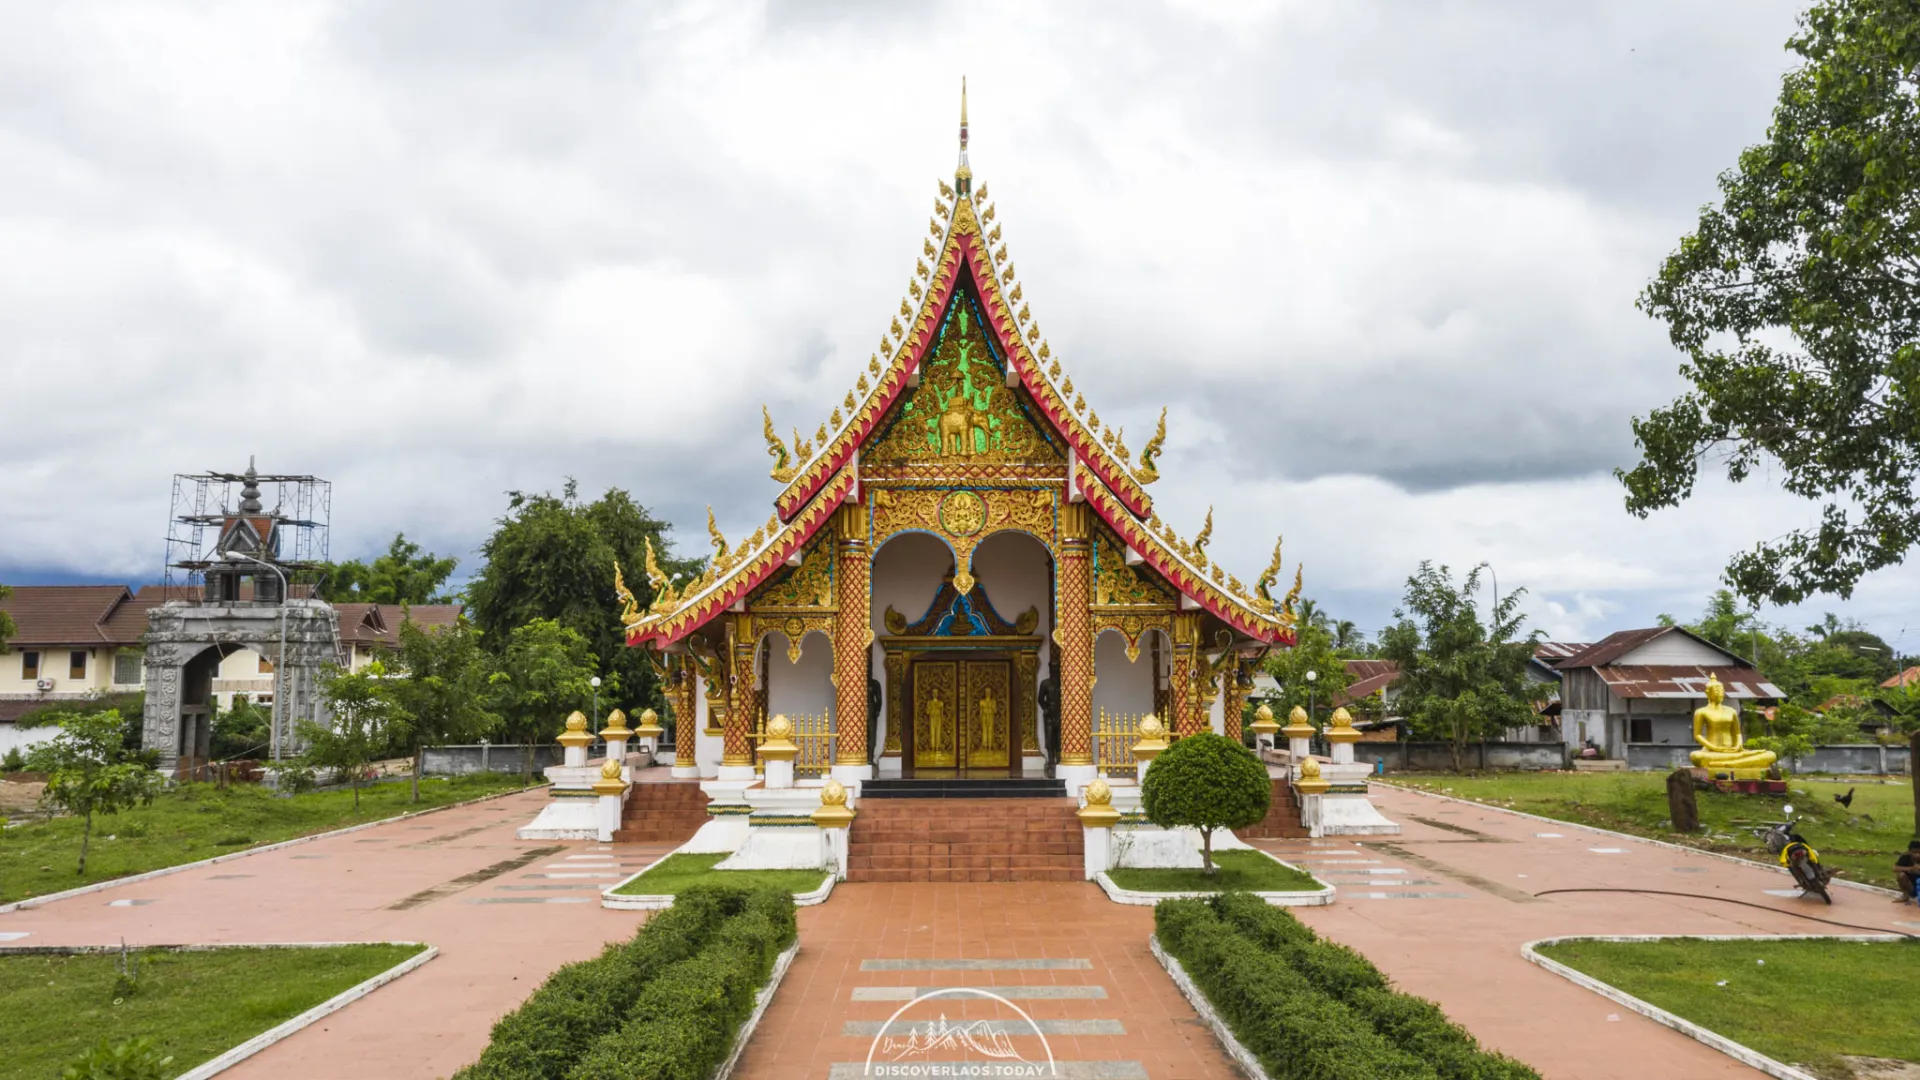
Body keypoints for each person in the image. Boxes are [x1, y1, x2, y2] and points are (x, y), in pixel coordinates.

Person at [1896, 840, 1920, 905]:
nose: (1917, 855)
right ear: (1909, 851)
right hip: (1910, 886)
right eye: (1914, 852)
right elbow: (1895, 868)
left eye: (1919, 852)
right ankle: (1905, 895)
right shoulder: (1905, 857)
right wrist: (1911, 868)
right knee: (1900, 875)